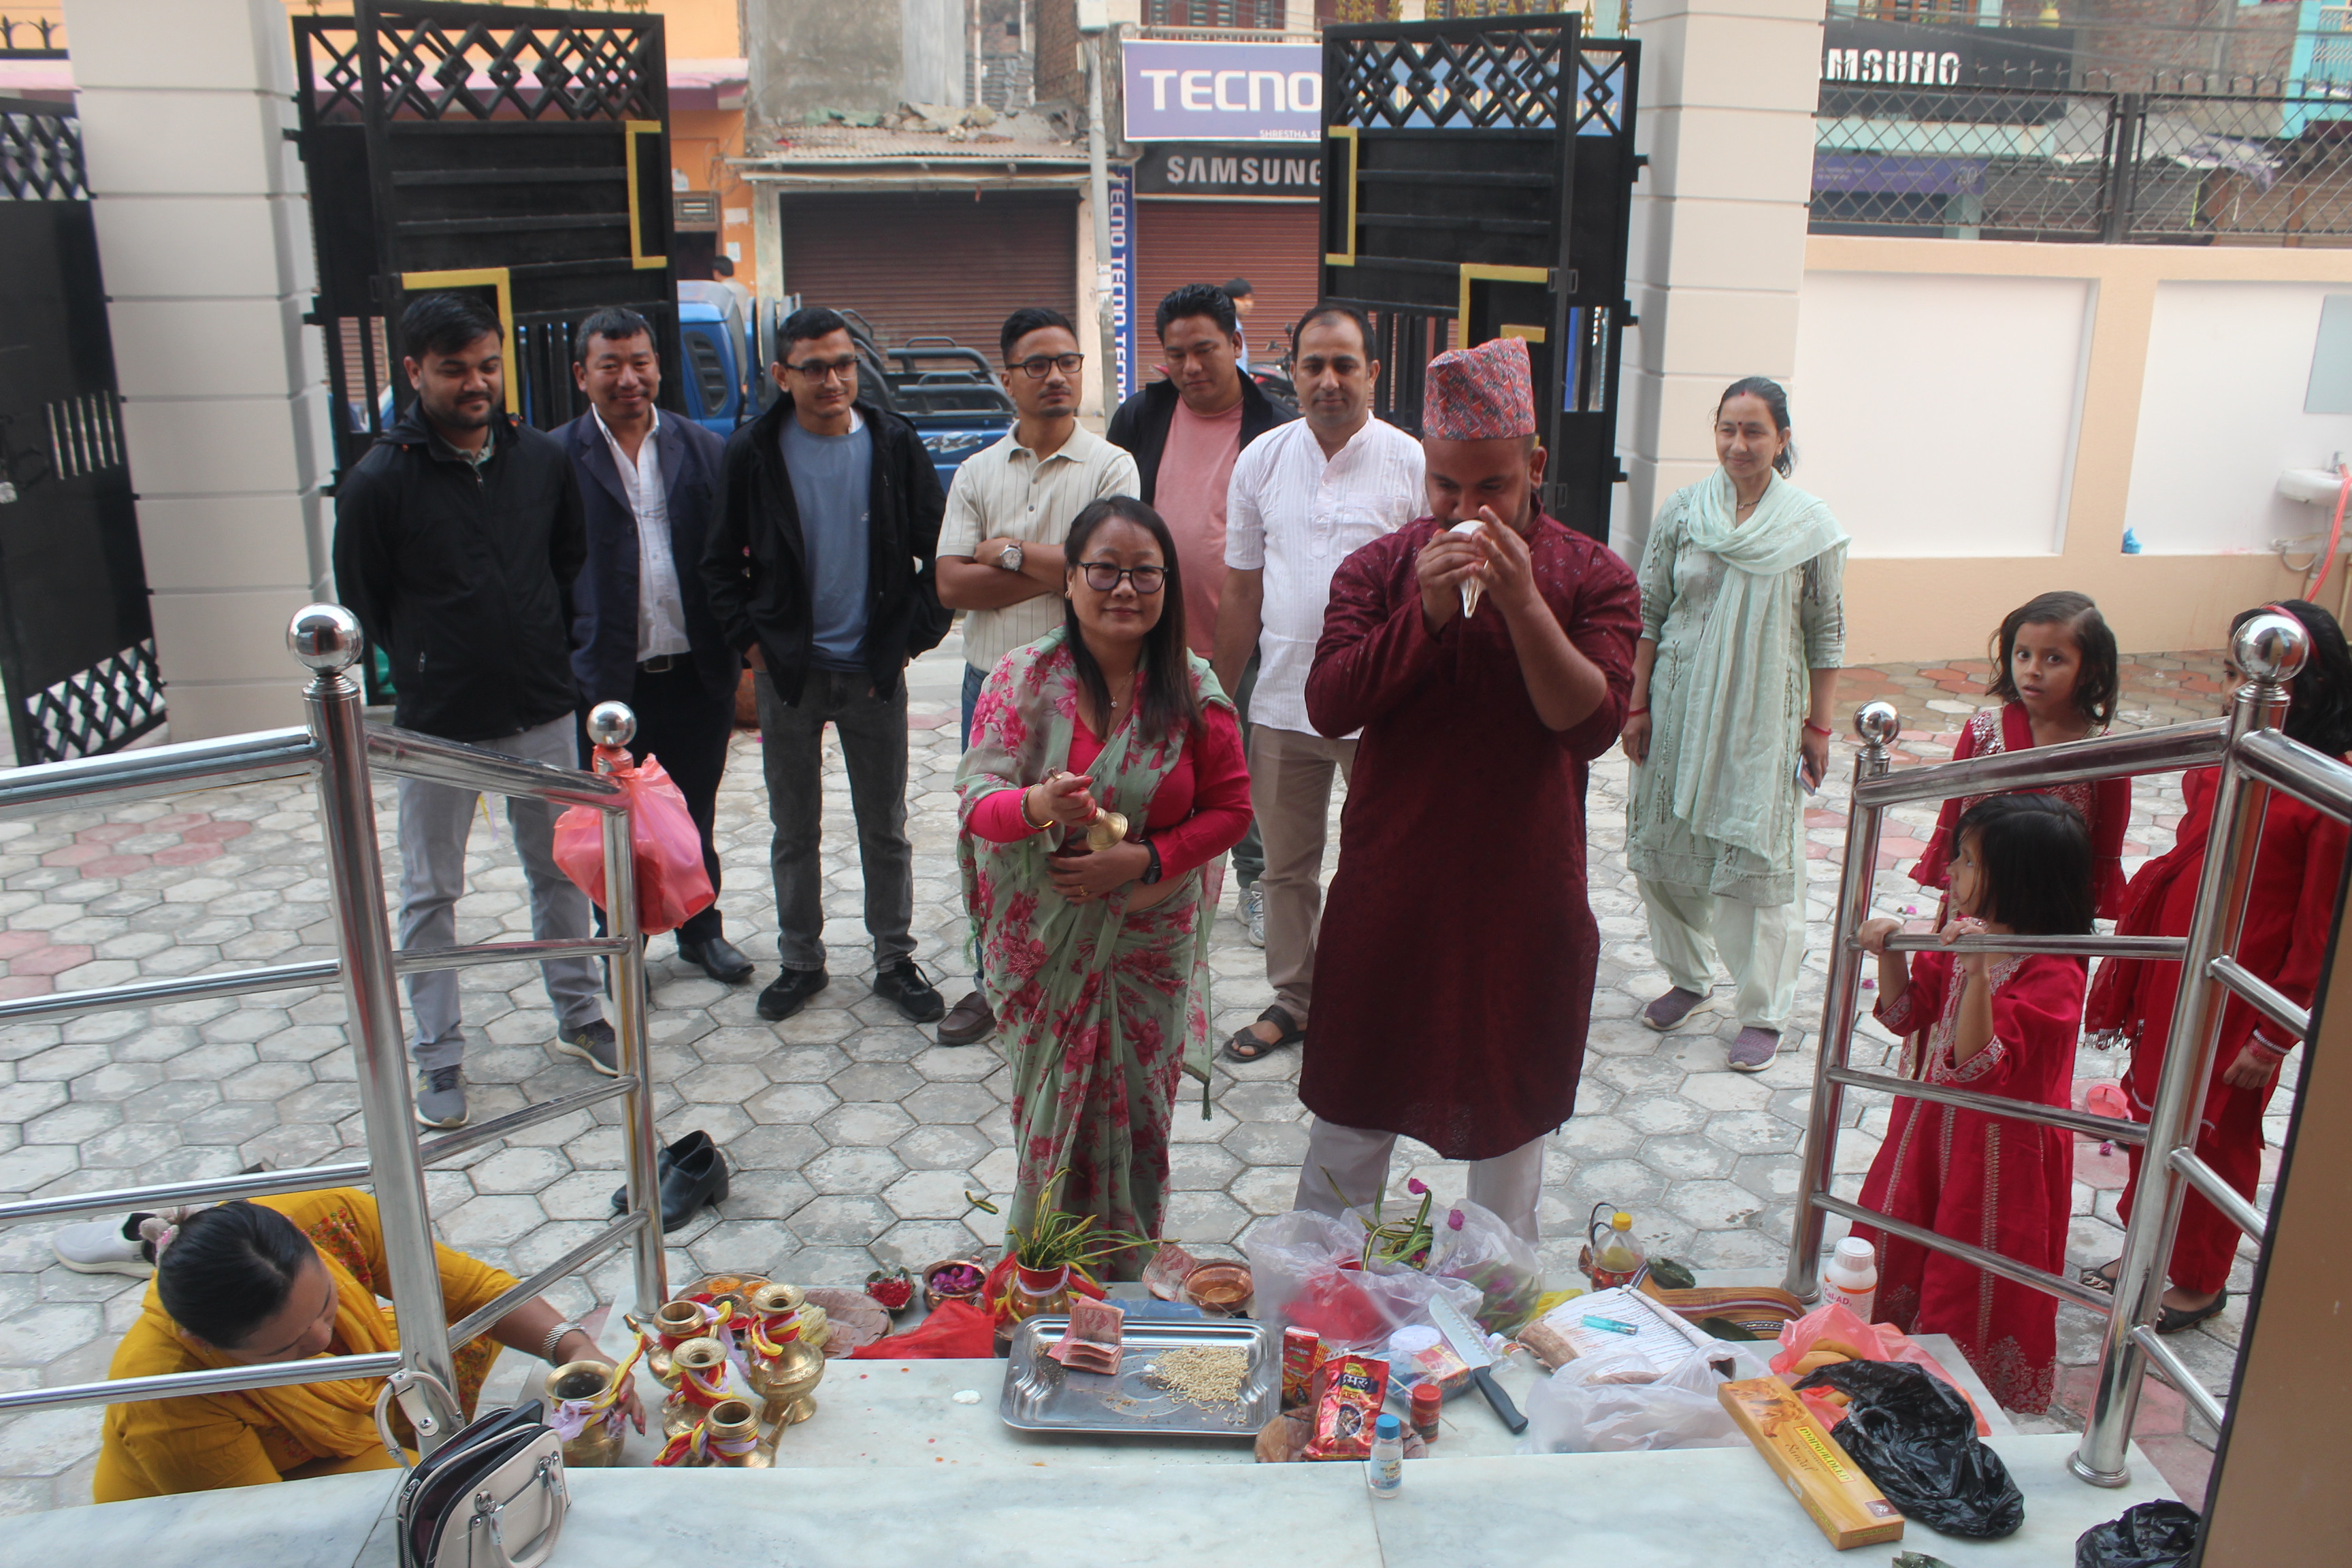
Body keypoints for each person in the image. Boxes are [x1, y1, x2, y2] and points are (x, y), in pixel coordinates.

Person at [1291, 336, 1641, 1245]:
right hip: (1393, 884)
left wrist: (1525, 605)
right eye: (1446, 487)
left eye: (1491, 487)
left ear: (1534, 468)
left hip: (1522, 892)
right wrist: (1430, 611)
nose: (1466, 509)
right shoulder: (1377, 572)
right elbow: (1331, 704)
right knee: (1352, 1106)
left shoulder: (1594, 577)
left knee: (1511, 1125)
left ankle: (1495, 1312)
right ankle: (1321, 1303)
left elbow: (1593, 725)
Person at [333, 291, 610, 1130]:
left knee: (560, 868)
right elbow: (366, 600)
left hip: (539, 705)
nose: (476, 383)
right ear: (415, 372)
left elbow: (565, 559)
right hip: (437, 720)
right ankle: (438, 1056)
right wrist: (429, 660)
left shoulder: (538, 460)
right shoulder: (380, 481)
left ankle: (581, 1015)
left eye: (488, 365)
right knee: (429, 892)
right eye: (455, 369)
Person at [956, 497, 1251, 1272]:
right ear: (1072, 579)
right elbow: (978, 804)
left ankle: (1124, 1277)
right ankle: (1046, 1278)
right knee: (1054, 1120)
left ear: (1169, 584)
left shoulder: (1191, 690)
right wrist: (1037, 805)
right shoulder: (1023, 681)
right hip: (1051, 954)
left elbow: (1232, 810)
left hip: (1150, 950)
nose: (1125, 589)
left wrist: (1143, 860)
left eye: (1145, 573)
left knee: (1140, 1123)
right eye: (1106, 570)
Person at [2082, 600, 2352, 1333]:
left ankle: (2196, 1280)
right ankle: (2150, 1250)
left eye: (2266, 677)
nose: (2243, 692)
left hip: (2244, 986)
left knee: (2215, 1129)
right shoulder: (2229, 754)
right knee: (2154, 1106)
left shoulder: (2328, 788)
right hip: (2180, 967)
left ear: (2314, 687)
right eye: (2235, 673)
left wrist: (2273, 1033)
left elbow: (2320, 930)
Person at [701, 306, 950, 1026]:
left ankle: (893, 960)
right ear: (783, 375)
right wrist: (755, 647)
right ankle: (801, 961)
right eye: (813, 367)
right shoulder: (755, 450)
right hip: (790, 675)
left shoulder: (893, 442)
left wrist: (911, 639)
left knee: (886, 824)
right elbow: (719, 565)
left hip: (874, 671)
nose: (832, 379)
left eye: (843, 363)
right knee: (794, 827)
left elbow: (941, 553)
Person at [94, 1188, 642, 1500]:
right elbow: (268, 1526)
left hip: (344, 1425)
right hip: (256, 1493)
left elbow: (473, 1292)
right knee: (442, 1506)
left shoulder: (333, 1219)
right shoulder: (167, 1396)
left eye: (327, 1305)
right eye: (286, 1349)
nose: (324, 1339)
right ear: (204, 1343)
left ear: (306, 1240)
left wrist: (571, 1347)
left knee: (448, 1338)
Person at [1211, 303, 1422, 1064]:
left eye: (1344, 365)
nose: (1328, 380)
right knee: (1286, 867)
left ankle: (1377, 999)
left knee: (1382, 866)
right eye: (1313, 365)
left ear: (1371, 372)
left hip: (1383, 713)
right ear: (1291, 372)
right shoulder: (1261, 461)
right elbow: (1241, 591)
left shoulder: (1411, 464)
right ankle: (1296, 1001)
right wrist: (1214, 698)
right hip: (1279, 705)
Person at [1622, 376, 1849, 1074]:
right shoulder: (1685, 511)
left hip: (1760, 720)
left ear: (1782, 440)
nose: (1738, 443)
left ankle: (1763, 1011)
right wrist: (1636, 704)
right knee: (1663, 849)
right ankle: (1690, 977)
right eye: (1727, 428)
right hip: (1678, 706)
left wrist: (1818, 728)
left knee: (1756, 860)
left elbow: (1827, 632)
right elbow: (1650, 611)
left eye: (1754, 431)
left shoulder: (1809, 525)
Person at [932, 306, 1141, 1046]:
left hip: (1079, 685)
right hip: (991, 686)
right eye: (1037, 364)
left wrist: (1008, 552)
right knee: (994, 832)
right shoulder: (976, 469)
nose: (1056, 376)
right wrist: (1061, 570)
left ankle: (1074, 966)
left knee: (1080, 829)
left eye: (1068, 362)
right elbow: (952, 586)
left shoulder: (1111, 466)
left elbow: (1107, 571)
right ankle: (996, 979)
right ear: (1006, 377)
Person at [1851, 793, 2095, 1414]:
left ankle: (1960, 1393)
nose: (1950, 872)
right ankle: (1889, 1355)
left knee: (1976, 1268)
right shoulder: (1961, 937)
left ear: (2015, 880)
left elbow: (1983, 1064)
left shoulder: (2055, 973)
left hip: (2001, 1154)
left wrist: (1979, 973)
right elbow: (1909, 1016)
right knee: (1904, 1234)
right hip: (1929, 1130)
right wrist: (1893, 952)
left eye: (1965, 862)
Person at [561, 306, 753, 990]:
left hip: (696, 671)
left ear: (658, 367)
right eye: (610, 365)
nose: (628, 378)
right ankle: (622, 946)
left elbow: (734, 558)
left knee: (692, 809)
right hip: (609, 681)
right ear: (583, 375)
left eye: (639, 362)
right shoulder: (559, 458)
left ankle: (702, 932)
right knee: (613, 819)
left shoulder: (705, 449)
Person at [1107, 283, 1293, 941]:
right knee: (1154, 763)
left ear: (1237, 346)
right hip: (1155, 633)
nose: (1190, 367)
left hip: (1246, 635)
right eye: (1176, 354)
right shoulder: (1142, 417)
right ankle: (1158, 875)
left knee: (1241, 767)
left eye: (1205, 350)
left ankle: (1258, 885)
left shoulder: (1275, 426)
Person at [1912, 591, 2129, 922]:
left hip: (2050, 911)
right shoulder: (1982, 731)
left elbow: (2103, 850)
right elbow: (1955, 819)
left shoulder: (2104, 755)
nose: (2033, 670)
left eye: (2054, 659)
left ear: (2088, 670)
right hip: (1974, 904)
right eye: (2023, 654)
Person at [1224, 276, 1257, 369]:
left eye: (1249, 299)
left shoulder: (1237, 326)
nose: (1247, 304)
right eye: (1241, 299)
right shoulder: (1226, 328)